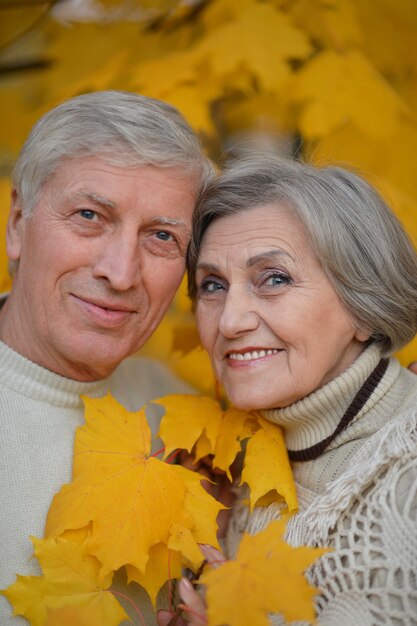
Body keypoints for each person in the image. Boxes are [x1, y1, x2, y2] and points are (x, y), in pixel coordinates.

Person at [0, 90, 214, 625]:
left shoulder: (184, 418)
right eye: (90, 215)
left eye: (161, 236)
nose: (120, 273)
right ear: (17, 224)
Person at [179, 154, 417, 625]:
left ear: (363, 306)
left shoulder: (403, 494)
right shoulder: (232, 466)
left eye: (274, 279)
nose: (230, 321)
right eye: (212, 285)